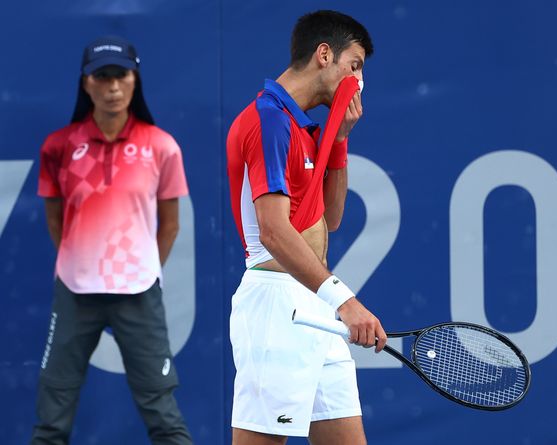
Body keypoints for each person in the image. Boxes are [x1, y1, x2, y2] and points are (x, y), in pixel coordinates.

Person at [226, 10, 386, 445]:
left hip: (316, 306)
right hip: (277, 307)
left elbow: (329, 219)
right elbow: (275, 234)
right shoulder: (268, 119)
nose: (359, 82)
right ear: (323, 55)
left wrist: (339, 139)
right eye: (354, 67)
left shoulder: (303, 127)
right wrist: (346, 301)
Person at [32, 36, 193, 445]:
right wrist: (79, 262)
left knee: (163, 414)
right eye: (101, 77)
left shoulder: (161, 146)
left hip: (139, 293)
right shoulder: (58, 147)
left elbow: (170, 225)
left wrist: (143, 268)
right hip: (74, 291)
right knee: (52, 415)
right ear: (86, 84)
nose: (112, 87)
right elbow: (55, 218)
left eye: (120, 75)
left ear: (134, 79)